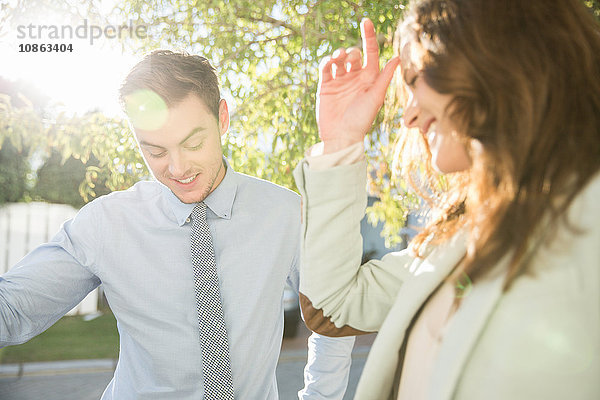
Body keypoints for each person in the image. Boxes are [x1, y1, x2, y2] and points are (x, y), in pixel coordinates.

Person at [0, 50, 355, 399]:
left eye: (194, 143)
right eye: (155, 151)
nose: (178, 168)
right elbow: (12, 310)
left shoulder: (286, 213)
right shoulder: (104, 225)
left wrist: (321, 396)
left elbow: (333, 315)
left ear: (223, 118)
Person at [294, 1, 600, 399]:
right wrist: (340, 141)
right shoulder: (460, 237)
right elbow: (331, 306)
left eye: (415, 78)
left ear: (491, 54)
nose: (407, 117)